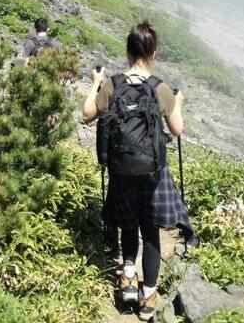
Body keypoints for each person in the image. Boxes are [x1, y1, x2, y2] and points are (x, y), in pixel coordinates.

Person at [82, 21, 192, 321]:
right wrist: (177, 103)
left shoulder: (113, 85)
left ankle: (128, 277)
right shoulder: (160, 88)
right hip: (151, 174)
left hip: (121, 170)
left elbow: (87, 114)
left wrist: (95, 83)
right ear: (153, 53)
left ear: (128, 51)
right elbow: (177, 130)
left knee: (128, 223)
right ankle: (147, 298)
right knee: (151, 232)